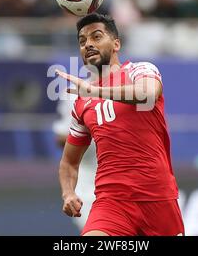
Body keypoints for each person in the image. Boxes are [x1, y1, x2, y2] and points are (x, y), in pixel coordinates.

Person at [56, 13, 184, 236]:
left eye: (96, 36)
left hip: (158, 198)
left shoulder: (140, 71)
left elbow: (148, 93)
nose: (88, 45)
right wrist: (68, 193)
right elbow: (69, 161)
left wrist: (96, 91)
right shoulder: (82, 103)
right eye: (82, 41)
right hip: (111, 203)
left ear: (116, 44)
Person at [52, 92, 97, 231]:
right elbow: (61, 138)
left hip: (127, 184)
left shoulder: (135, 87)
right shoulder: (74, 94)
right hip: (86, 185)